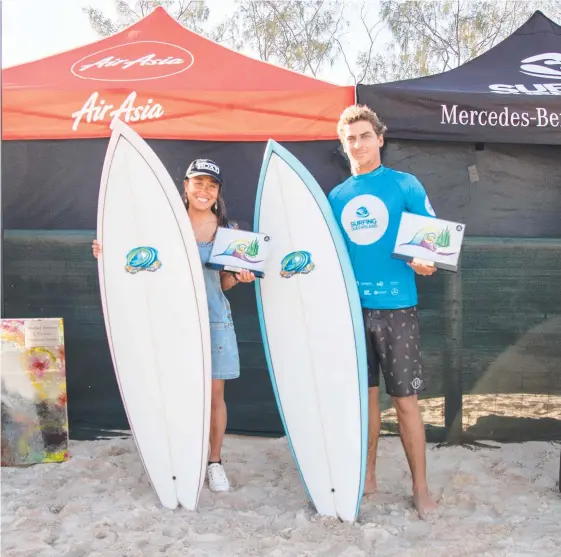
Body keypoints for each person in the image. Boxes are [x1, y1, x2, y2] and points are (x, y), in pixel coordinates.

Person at [92, 158, 255, 493]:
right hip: (171, 322)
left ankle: (214, 463)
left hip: (214, 321)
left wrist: (241, 277)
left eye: (211, 185)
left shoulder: (229, 233)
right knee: (174, 392)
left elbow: (222, 284)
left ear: (218, 192)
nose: (204, 191)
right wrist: (106, 253)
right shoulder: (165, 224)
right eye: (198, 183)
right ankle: (181, 458)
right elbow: (140, 260)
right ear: (185, 186)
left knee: (214, 397)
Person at [328, 104, 438, 519]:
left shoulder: (405, 184)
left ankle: (421, 489)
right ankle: (367, 476)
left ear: (380, 138)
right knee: (365, 401)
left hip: (397, 309)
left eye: (364, 136)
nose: (357, 144)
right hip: (352, 311)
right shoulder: (336, 197)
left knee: (405, 401)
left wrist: (427, 261)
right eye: (350, 138)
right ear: (344, 146)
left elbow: (431, 243)